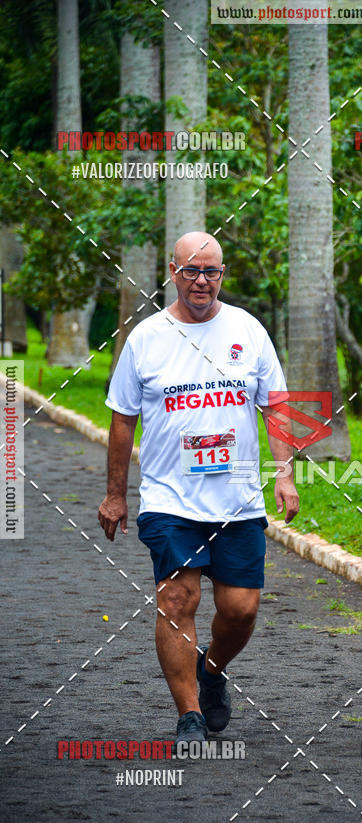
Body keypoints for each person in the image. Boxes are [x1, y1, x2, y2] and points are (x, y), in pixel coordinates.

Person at [98, 231, 299, 747]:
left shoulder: (248, 331)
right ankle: (189, 714)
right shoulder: (147, 337)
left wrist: (285, 474)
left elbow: (275, 406)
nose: (202, 281)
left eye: (211, 271)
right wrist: (116, 494)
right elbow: (122, 420)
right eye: (191, 271)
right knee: (178, 598)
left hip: (237, 499)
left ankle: (212, 670)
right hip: (169, 498)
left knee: (241, 609)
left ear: (222, 274)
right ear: (172, 272)